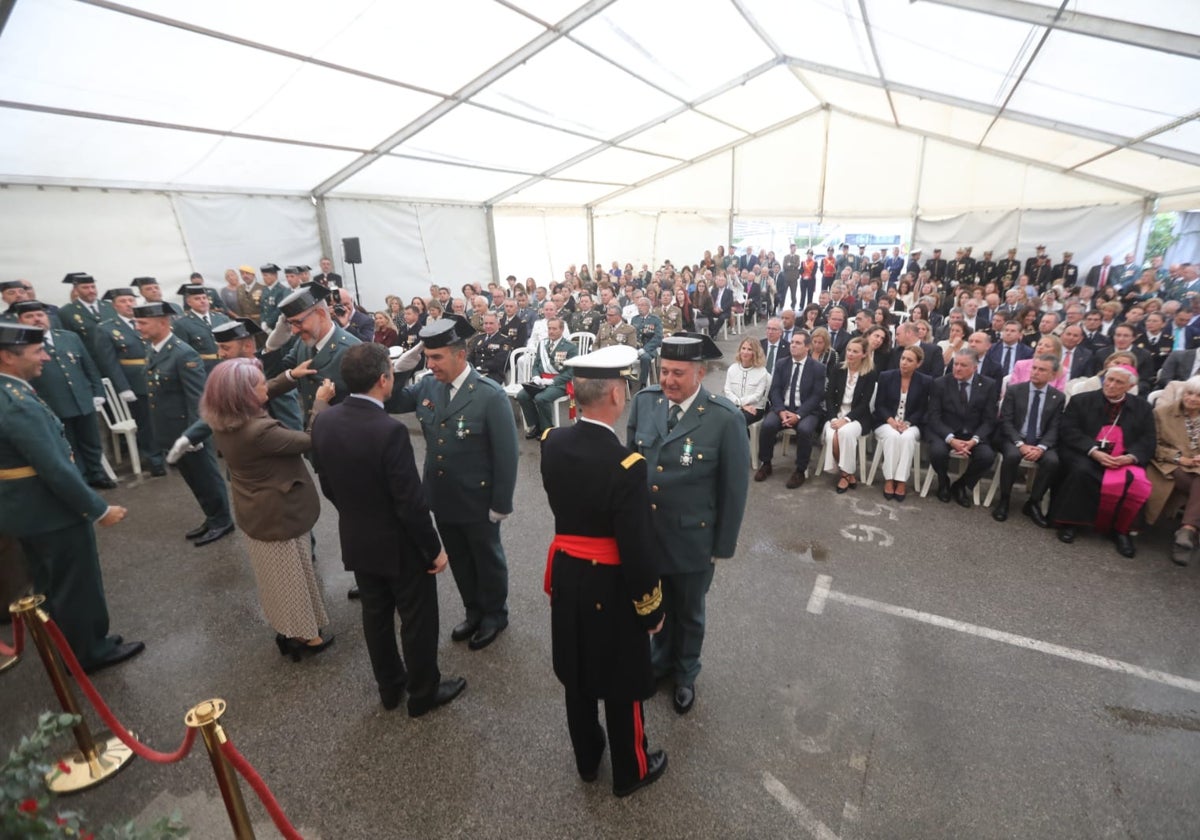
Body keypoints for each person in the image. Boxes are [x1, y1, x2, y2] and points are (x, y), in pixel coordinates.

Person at [539, 344, 668, 796]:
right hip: (611, 586)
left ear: (574, 392)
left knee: (577, 674)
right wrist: (651, 609)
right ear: (616, 395)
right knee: (621, 681)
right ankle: (631, 770)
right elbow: (636, 550)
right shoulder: (626, 466)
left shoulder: (551, 443)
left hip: (570, 577)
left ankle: (588, 761)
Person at [311, 344, 465, 714]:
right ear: (383, 379)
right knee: (417, 621)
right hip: (400, 545)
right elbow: (409, 504)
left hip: (357, 535)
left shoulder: (324, 421)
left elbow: (327, 481)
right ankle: (423, 693)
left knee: (376, 617)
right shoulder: (389, 430)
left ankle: (390, 686)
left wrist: (355, 512)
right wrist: (434, 549)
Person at [0, 319, 144, 671]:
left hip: (25, 509)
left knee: (51, 583)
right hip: (50, 511)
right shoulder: (15, 401)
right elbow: (55, 469)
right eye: (37, 351)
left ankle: (69, 644)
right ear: (6, 357)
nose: (45, 357)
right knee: (75, 584)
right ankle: (89, 652)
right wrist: (98, 510)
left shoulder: (11, 391)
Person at [626, 333, 749, 715]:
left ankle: (685, 672)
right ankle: (659, 662)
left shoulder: (724, 418)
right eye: (664, 371)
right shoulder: (645, 403)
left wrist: (721, 546)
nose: (668, 381)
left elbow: (734, 489)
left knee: (689, 611)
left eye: (678, 373)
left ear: (700, 372)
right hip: (649, 533)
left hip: (693, 538)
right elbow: (630, 466)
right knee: (654, 605)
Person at [388, 316, 519, 651]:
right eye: (428, 358)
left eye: (437, 358)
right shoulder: (429, 385)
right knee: (459, 558)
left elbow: (507, 455)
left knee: (486, 558)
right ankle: (473, 610)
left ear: (460, 355)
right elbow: (392, 400)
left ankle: (494, 614)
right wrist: (405, 365)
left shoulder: (489, 395)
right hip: (441, 495)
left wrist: (501, 504)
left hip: (477, 497)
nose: (430, 365)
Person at [199, 359, 333, 659]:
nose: (265, 386)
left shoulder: (223, 416)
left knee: (275, 578)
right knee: (291, 578)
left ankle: (291, 627)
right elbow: (310, 439)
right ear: (245, 395)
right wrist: (320, 404)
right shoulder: (259, 430)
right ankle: (303, 636)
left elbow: (263, 389)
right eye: (259, 384)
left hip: (255, 510)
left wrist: (289, 377)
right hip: (278, 513)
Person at [134, 301, 235, 546]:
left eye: (143, 322)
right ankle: (211, 517)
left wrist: (195, 435)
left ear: (163, 322)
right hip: (171, 430)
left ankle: (222, 520)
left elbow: (198, 399)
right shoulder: (155, 350)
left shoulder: (183, 353)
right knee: (193, 478)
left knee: (206, 476)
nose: (138, 327)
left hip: (188, 431)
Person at [10, 300, 113, 489]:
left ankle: (96, 473)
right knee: (68, 445)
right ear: (20, 320)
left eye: (39, 315)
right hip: (53, 402)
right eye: (29, 316)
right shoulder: (20, 345)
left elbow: (89, 366)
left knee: (91, 441)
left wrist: (98, 391)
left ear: (47, 316)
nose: (36, 319)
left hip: (82, 399)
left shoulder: (69, 337)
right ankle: (79, 479)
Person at [1053, 365, 1154, 558]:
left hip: (1123, 458)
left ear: (1130, 386)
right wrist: (1093, 451)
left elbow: (1148, 439)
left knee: (1136, 481)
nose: (1111, 385)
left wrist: (1130, 457)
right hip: (1085, 452)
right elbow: (1069, 430)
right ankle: (1071, 523)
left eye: (1118, 382)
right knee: (1082, 471)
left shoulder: (1142, 408)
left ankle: (1122, 531)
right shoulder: (1081, 401)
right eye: (1109, 380)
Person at [91, 287, 166, 476]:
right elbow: (109, 362)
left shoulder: (147, 322)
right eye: (123, 301)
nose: (128, 304)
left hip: (158, 375)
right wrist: (123, 387)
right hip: (135, 382)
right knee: (146, 424)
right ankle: (155, 460)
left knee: (164, 418)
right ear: (115, 306)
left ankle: (169, 454)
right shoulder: (107, 328)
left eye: (131, 300)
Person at [261, 284, 359, 426]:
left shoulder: (352, 349)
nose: (294, 331)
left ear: (320, 314)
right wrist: (271, 346)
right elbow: (275, 377)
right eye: (290, 324)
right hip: (312, 432)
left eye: (298, 323)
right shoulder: (303, 343)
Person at [992, 354, 1064, 525]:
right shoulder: (1015, 390)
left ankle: (1033, 503)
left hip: (1041, 441)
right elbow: (1006, 422)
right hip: (1014, 438)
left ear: (1052, 375)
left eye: (1042, 370)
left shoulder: (1057, 397)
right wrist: (1020, 444)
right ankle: (1004, 500)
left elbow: (1055, 427)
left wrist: (1042, 447)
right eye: (1034, 368)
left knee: (1053, 461)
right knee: (1012, 456)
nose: (1036, 372)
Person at [926, 349, 998, 506]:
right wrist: (951, 439)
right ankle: (943, 481)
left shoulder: (988, 385)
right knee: (937, 452)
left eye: (963, 365)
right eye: (956, 364)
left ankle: (961, 485)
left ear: (974, 368)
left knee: (987, 457)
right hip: (946, 431)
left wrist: (974, 440)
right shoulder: (940, 383)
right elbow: (934, 417)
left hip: (974, 434)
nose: (957, 368)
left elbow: (989, 420)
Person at [755, 330, 826, 489]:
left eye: (798, 343)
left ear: (807, 347)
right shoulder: (782, 363)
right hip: (783, 408)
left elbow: (817, 396)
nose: (793, 345)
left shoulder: (818, 368)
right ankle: (766, 463)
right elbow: (775, 390)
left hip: (806, 411)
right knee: (768, 425)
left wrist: (799, 415)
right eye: (792, 342)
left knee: (805, 430)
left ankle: (800, 470)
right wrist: (780, 411)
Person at [1146, 376, 1200, 565]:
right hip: (1170, 464)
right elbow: (1153, 444)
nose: (1192, 398)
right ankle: (1189, 530)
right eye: (1189, 393)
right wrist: (1179, 457)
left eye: (1198, 396)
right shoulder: (1162, 413)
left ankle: (1186, 531)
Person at [873, 345, 930, 502]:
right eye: (903, 358)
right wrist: (891, 420)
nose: (904, 362)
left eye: (909, 360)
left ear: (918, 364)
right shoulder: (886, 376)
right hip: (886, 422)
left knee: (906, 438)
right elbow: (880, 405)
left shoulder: (925, 381)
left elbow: (923, 409)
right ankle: (889, 479)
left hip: (912, 424)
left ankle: (901, 480)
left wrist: (909, 422)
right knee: (892, 436)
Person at [822, 337, 877, 492]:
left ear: (864, 354)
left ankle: (844, 474)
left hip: (857, 417)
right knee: (831, 435)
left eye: (855, 351)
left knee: (844, 432)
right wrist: (833, 417)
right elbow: (829, 396)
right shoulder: (838, 369)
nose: (850, 354)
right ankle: (848, 472)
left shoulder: (870, 373)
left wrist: (846, 419)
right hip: (836, 414)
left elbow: (864, 403)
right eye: (849, 350)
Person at [517, 317, 577, 438]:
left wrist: (552, 380)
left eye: (554, 329)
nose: (551, 331)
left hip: (560, 383)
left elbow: (571, 371)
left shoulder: (570, 347)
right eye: (549, 328)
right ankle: (537, 425)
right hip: (541, 380)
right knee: (522, 395)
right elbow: (536, 364)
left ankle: (547, 429)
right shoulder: (542, 343)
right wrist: (535, 376)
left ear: (561, 330)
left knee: (541, 398)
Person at [724, 338, 769, 426]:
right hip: (734, 405)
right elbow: (727, 391)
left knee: (738, 419)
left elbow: (757, 396)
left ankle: (742, 439)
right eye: (743, 348)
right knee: (718, 416)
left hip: (754, 408)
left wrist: (740, 404)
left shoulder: (762, 372)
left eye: (749, 349)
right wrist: (741, 405)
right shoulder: (732, 368)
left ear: (755, 353)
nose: (745, 352)